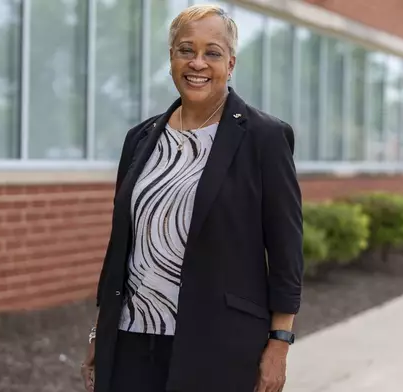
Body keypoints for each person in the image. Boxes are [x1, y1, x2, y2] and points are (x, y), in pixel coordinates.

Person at [81, 4, 303, 392]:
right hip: (131, 340)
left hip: (218, 346)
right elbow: (122, 247)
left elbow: (286, 252)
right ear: (171, 58)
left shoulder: (264, 138)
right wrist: (100, 332)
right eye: (186, 50)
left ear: (230, 63)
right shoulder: (141, 139)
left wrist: (279, 343)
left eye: (212, 53)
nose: (197, 63)